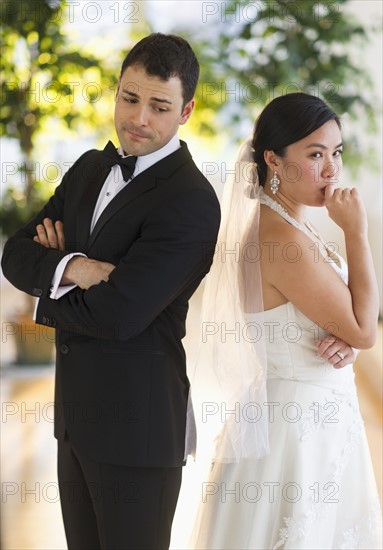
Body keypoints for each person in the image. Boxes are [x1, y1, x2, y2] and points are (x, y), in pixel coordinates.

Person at [1, 33, 220, 550]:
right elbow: (14, 254)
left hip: (137, 431)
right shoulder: (88, 169)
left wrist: (49, 274)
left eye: (159, 106)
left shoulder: (190, 200)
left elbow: (120, 314)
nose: (139, 118)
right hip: (74, 422)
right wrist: (77, 266)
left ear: (186, 111)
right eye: (130, 98)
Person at [188, 93, 381, 549]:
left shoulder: (286, 224)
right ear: (273, 160)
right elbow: (367, 329)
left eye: (336, 152)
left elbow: (344, 322)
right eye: (315, 155)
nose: (331, 169)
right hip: (295, 431)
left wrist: (344, 335)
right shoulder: (282, 239)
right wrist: (357, 232)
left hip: (312, 417)